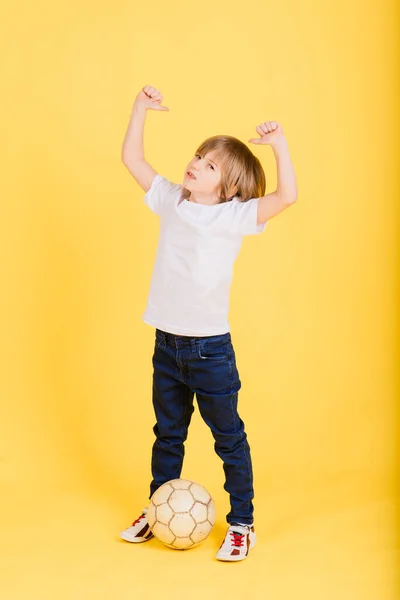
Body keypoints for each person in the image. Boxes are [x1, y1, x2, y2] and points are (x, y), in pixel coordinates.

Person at [119, 85, 298, 561]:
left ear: (230, 188)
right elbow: (133, 159)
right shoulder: (171, 199)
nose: (196, 163)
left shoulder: (236, 216)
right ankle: (160, 506)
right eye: (199, 155)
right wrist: (140, 110)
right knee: (168, 433)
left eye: (211, 164)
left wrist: (279, 145)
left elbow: (288, 196)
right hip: (167, 343)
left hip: (210, 350)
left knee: (228, 436)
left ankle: (242, 521)